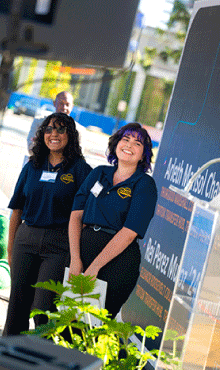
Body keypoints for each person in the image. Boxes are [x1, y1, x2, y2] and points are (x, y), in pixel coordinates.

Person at [4, 112, 92, 336]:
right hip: (26, 239)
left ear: (70, 135)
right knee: (17, 305)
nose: (54, 134)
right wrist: (10, 249)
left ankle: (41, 357)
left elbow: (86, 216)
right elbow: (16, 211)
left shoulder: (80, 170)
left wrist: (76, 255)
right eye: (49, 129)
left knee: (43, 308)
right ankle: (6, 355)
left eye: (61, 129)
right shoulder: (32, 167)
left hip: (58, 245)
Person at [68, 122, 158, 318]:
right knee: (68, 321)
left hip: (117, 263)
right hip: (82, 256)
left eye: (137, 143)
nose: (129, 145)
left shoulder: (144, 184)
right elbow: (76, 215)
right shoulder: (99, 173)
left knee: (94, 325)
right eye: (125, 139)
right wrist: (75, 259)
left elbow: (129, 232)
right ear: (116, 144)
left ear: (143, 155)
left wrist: (95, 267)